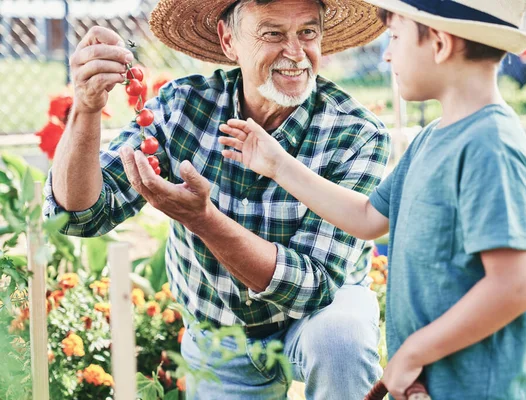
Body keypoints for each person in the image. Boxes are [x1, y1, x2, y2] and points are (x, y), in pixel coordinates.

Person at [43, 0, 393, 398]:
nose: (295, 53)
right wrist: (86, 107)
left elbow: (312, 287)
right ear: (229, 41)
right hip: (220, 334)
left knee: (341, 337)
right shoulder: (183, 106)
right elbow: (81, 215)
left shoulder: (356, 131)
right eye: (273, 33)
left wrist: (203, 220)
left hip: (317, 318)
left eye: (307, 32)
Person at [220, 0, 526, 398]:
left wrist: (412, 353)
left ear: (441, 44)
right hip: (436, 382)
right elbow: (367, 217)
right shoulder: (432, 139)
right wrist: (277, 163)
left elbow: (514, 286)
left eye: (394, 36)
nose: (388, 53)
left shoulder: (489, 147)